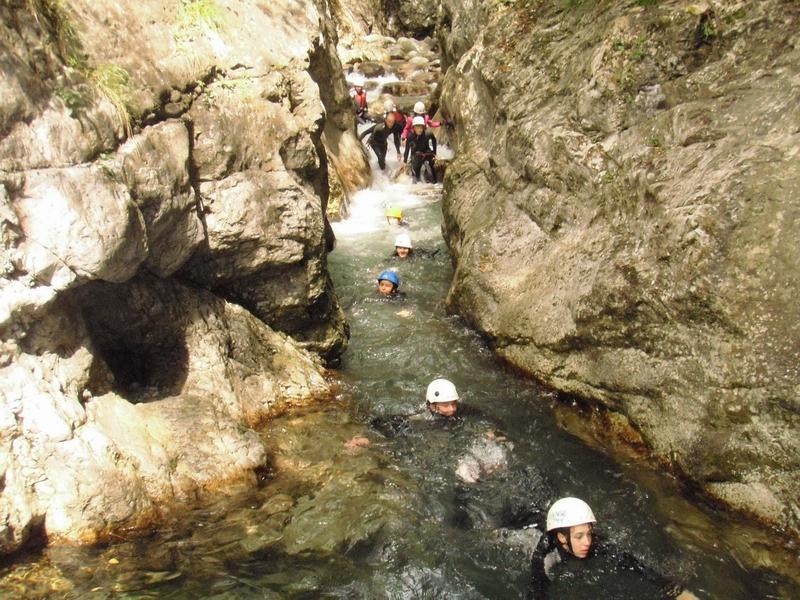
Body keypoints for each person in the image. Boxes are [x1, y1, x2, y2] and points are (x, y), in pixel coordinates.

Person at [527, 497, 700, 600]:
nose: (587, 542)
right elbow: (537, 591)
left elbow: (631, 562)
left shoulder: (594, 542)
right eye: (579, 536)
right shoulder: (544, 555)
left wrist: (677, 592)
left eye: (589, 533)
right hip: (526, 519)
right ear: (562, 538)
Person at [404, 116, 437, 183]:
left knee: (431, 165)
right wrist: (404, 161)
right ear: (414, 128)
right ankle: (416, 184)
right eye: (417, 127)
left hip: (426, 153)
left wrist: (434, 153)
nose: (420, 129)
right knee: (415, 171)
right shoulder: (410, 137)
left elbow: (434, 140)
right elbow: (407, 150)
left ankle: (434, 182)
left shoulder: (428, 133)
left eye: (421, 127)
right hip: (416, 155)